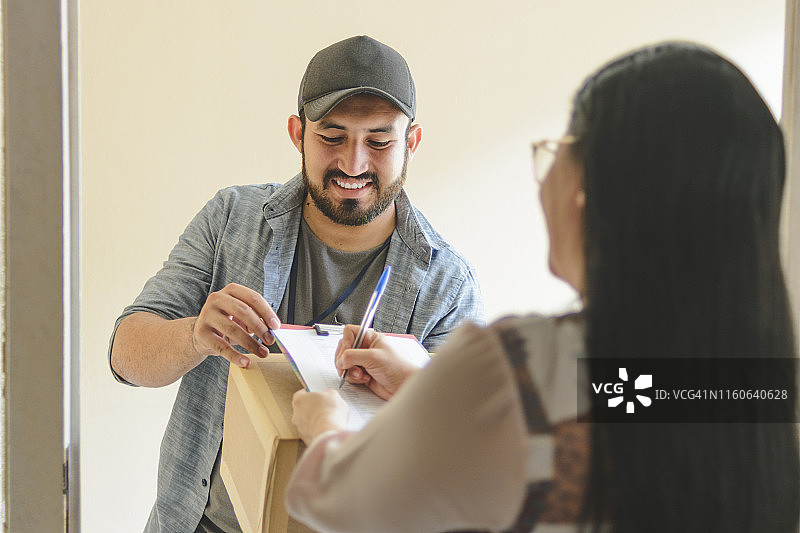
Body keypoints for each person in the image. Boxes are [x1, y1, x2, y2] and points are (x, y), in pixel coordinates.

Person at [287, 42, 800, 533]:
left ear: (594, 191)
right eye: (333, 135)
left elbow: (346, 501)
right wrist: (432, 393)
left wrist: (326, 425)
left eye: (561, 149)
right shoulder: (750, 387)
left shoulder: (514, 365)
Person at [108, 35, 484, 533]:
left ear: (411, 142)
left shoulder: (447, 284)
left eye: (379, 141)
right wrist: (196, 334)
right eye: (332, 137)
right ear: (297, 133)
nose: (354, 163)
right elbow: (125, 357)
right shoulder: (231, 220)